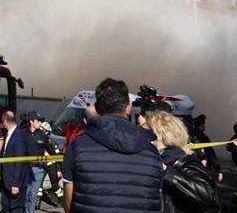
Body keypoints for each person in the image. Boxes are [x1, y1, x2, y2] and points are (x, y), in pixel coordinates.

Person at [60, 78, 163, 213]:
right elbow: (157, 198)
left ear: (96, 108)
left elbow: (69, 204)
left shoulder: (77, 147)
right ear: (128, 109)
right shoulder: (151, 151)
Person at [146, 110, 219, 213]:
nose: (141, 136)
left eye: (147, 132)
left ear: (161, 135)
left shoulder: (184, 163)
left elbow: (207, 197)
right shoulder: (150, 160)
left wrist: (169, 174)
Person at [0, 111, 32, 213]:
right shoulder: (10, 134)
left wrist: (16, 184)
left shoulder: (18, 136)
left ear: (5, 121)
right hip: (7, 180)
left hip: (15, 181)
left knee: (16, 208)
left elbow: (20, 162)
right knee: (5, 204)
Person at [190, 114, 222, 183]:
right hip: (203, 168)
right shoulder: (203, 137)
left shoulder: (189, 136)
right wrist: (218, 170)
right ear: (202, 125)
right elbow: (210, 154)